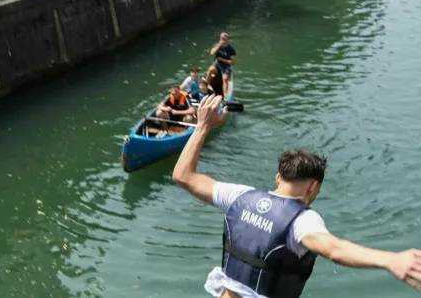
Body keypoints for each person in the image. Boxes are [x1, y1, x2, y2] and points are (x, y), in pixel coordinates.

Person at [173, 97, 421, 298]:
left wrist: (203, 125)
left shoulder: (239, 196)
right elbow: (335, 249)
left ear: (278, 178)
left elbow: (183, 176)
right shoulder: (301, 221)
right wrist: (390, 259)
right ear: (313, 187)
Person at [211, 32, 236, 97]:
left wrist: (222, 60)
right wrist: (218, 45)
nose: (223, 41)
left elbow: (232, 61)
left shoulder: (231, 49)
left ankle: (225, 95)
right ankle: (207, 85)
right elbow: (212, 53)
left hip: (226, 65)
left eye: (225, 39)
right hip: (217, 63)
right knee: (210, 70)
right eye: (222, 39)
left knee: (225, 78)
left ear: (228, 39)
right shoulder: (216, 45)